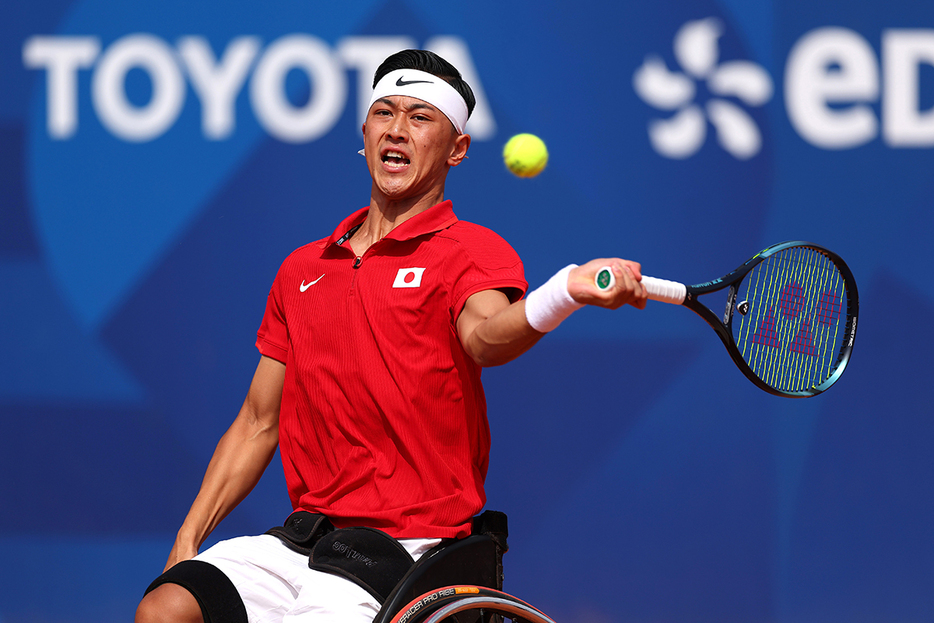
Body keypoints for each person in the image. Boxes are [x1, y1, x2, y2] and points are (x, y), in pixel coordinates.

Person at [135, 49, 647, 623]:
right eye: (385, 112)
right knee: (165, 609)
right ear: (365, 132)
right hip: (302, 542)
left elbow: (485, 338)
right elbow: (258, 421)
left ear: (457, 148)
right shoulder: (303, 268)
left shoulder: (470, 252)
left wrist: (565, 291)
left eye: (421, 117)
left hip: (407, 548)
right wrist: (189, 536)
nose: (397, 130)